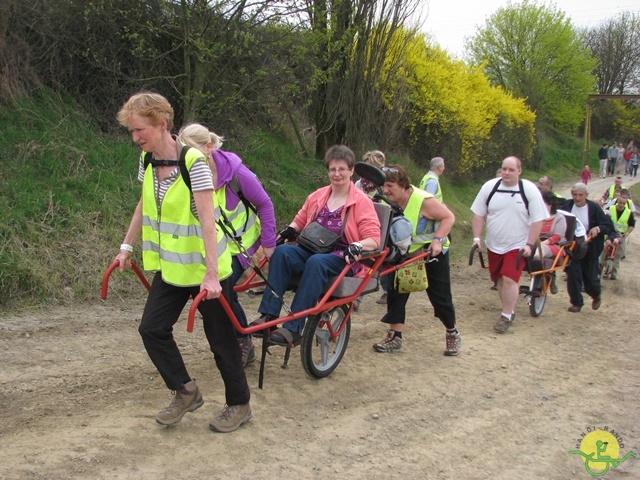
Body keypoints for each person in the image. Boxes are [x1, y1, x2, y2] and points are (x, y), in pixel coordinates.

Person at [114, 93, 251, 433]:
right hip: (172, 269)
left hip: (208, 271)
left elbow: (207, 220)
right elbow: (144, 204)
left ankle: (239, 405)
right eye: (131, 131)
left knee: (221, 341)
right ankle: (186, 390)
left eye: (139, 130)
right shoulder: (147, 161)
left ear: (162, 123)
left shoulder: (194, 163)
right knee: (151, 329)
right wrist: (126, 246)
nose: (135, 138)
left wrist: (210, 275)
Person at [252, 145, 380, 346]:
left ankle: (293, 328)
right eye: (332, 169)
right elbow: (300, 221)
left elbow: (373, 239)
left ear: (351, 170)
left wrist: (357, 245)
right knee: (283, 252)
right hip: (313, 247)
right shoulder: (318, 195)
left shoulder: (361, 201)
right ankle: (268, 316)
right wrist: (290, 230)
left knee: (316, 262)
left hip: (343, 256)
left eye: (342, 169)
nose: (337, 174)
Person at [178, 123, 277, 367]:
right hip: (219, 240)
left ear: (208, 147)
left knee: (225, 288)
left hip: (243, 242)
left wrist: (269, 244)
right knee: (215, 292)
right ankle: (231, 336)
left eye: (192, 151)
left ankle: (242, 340)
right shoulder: (188, 171)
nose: (187, 157)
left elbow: (265, 204)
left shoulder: (237, 173)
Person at [372, 165, 460, 355]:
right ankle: (395, 337)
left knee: (440, 297)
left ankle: (452, 332)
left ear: (403, 185)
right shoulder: (387, 200)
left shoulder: (423, 200)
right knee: (396, 293)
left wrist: (437, 241)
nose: (385, 190)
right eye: (383, 186)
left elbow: (448, 217)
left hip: (431, 255)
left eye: (390, 186)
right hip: (405, 254)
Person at [470, 156, 547, 333]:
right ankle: (508, 309)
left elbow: (537, 220)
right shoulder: (490, 187)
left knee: (509, 278)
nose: (506, 173)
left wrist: (529, 244)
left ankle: (506, 315)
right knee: (498, 280)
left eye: (511, 169)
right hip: (494, 243)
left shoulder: (529, 190)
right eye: (504, 169)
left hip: (518, 244)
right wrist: (476, 239)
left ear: (519, 171)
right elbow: (478, 214)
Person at [562, 183, 618, 313]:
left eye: (580, 195)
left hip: (590, 246)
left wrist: (597, 229)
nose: (577, 198)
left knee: (590, 278)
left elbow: (607, 226)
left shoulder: (594, 208)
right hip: (573, 246)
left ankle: (596, 295)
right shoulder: (567, 206)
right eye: (575, 195)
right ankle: (576, 302)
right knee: (573, 275)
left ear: (586, 195)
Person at [354, 150, 388, 307]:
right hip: (357, 222)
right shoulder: (358, 184)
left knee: (371, 260)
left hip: (375, 225)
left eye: (370, 165)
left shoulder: (383, 188)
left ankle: (359, 296)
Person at [602, 189, 635, 280]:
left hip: (621, 235)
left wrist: (627, 233)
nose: (621, 205)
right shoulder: (610, 209)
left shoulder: (628, 212)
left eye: (623, 203)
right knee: (605, 253)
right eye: (620, 202)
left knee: (618, 255)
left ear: (626, 203)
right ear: (617, 201)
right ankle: (605, 270)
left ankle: (614, 273)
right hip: (610, 234)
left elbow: (632, 225)